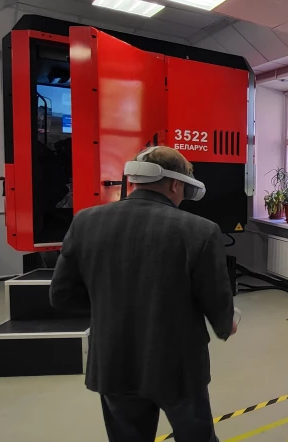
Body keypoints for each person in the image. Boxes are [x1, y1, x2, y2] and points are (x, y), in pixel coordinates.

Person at [50, 146, 236, 442]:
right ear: (175, 185)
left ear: (135, 180)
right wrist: (225, 324)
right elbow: (215, 297)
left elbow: (62, 296)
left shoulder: (85, 221)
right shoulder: (200, 230)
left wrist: (111, 304)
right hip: (179, 366)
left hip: (114, 361)